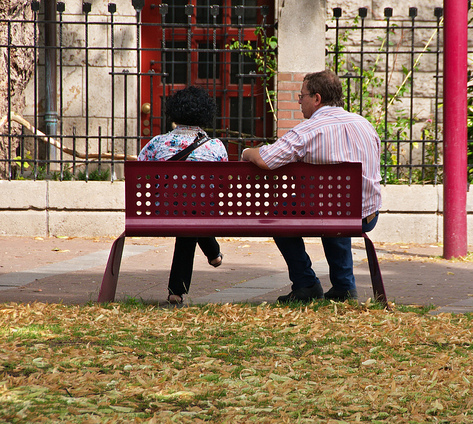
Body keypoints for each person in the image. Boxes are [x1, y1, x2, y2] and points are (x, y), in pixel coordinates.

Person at [241, 70, 382, 303]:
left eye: (302, 96)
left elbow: (265, 160)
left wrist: (247, 152)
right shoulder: (365, 125)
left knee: (279, 214)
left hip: (328, 211)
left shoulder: (308, 130)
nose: (299, 101)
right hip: (365, 215)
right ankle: (344, 287)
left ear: (317, 98)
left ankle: (306, 284)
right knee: (337, 208)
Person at [137, 86, 228, 305]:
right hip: (202, 211)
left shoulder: (157, 143)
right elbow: (222, 185)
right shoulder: (215, 146)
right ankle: (207, 259)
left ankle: (179, 288)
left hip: (163, 211)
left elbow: (139, 175)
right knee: (193, 213)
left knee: (187, 213)